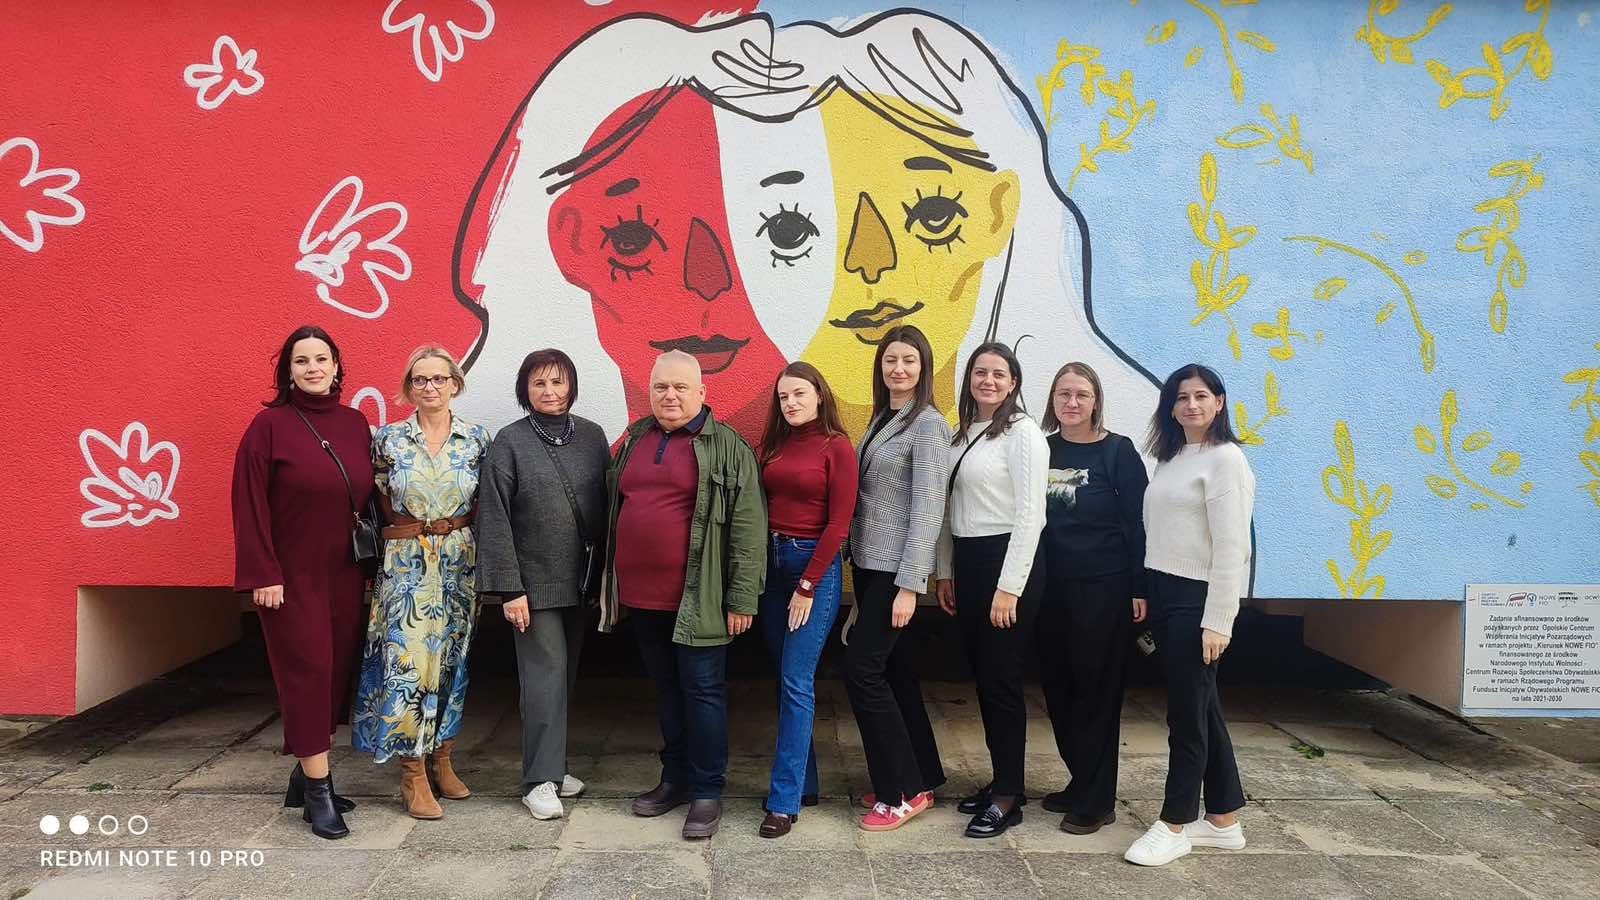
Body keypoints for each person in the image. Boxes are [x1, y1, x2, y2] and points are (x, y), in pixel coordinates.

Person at [599, 350, 766, 840]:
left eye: (680, 387)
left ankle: (707, 791)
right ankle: (674, 779)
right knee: (667, 691)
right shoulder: (635, 439)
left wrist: (742, 599)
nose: (669, 396)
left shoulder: (727, 446)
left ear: (701, 393)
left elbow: (748, 529)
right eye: (661, 387)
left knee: (702, 693)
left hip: (701, 598)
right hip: (642, 598)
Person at [232, 325, 373, 840]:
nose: (313, 368)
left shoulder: (356, 423)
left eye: (321, 359)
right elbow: (248, 503)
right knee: (308, 675)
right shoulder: (268, 427)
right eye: (301, 361)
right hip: (290, 578)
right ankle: (319, 791)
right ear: (287, 371)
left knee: (334, 675)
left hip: (344, 573)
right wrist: (263, 572)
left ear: (337, 366)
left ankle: (303, 776)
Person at [1124, 364, 1256, 867]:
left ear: (1219, 402)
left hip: (1197, 598)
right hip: (1164, 591)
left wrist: (1220, 619)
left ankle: (1174, 823)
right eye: (1182, 397)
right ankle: (1223, 819)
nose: (1192, 405)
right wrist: (1145, 589)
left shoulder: (1227, 460)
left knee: (1186, 714)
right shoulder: (1173, 455)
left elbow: (1232, 547)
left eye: (1202, 396)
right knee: (1202, 706)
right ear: (1171, 406)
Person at [351, 346, 490, 820]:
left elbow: (486, 503)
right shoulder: (388, 439)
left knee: (452, 661)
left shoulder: (476, 440)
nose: (430, 387)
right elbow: (374, 499)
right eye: (420, 379)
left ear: (455, 384)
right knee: (407, 665)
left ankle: (442, 757)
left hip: (458, 563)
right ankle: (411, 772)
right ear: (409, 388)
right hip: (406, 563)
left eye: (439, 378)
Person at [475, 349, 609, 820]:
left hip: (579, 581)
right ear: (525, 390)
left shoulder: (592, 436)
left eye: (557, 381)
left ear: (571, 385)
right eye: (539, 383)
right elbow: (494, 517)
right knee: (542, 679)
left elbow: (608, 504)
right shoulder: (510, 442)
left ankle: (553, 765)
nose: (550, 391)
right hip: (532, 587)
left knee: (562, 677)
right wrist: (509, 589)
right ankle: (538, 781)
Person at [933, 342, 1049, 839]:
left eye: (999, 374)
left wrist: (1009, 588)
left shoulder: (1023, 434)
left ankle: (1009, 796)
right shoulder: (962, 434)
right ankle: (1001, 778)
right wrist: (944, 572)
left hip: (1008, 565)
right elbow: (948, 509)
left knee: (1002, 681)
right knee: (984, 679)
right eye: (980, 372)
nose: (989, 381)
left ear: (1014, 382)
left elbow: (1031, 514)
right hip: (970, 562)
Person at [844, 324, 951, 832]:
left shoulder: (929, 424)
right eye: (891, 360)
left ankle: (902, 791)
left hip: (894, 571)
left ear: (923, 367)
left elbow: (928, 509)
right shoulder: (884, 416)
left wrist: (910, 585)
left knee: (862, 670)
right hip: (869, 564)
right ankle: (922, 774)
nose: (899, 368)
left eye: (909, 360)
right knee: (895, 673)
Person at [1036, 361, 1148, 834]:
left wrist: (1140, 586)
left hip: (1104, 589)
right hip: (1051, 591)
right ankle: (1082, 779)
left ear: (1096, 400)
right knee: (1058, 690)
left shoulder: (1117, 451)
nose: (1072, 402)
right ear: (1053, 400)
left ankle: (1098, 800)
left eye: (1082, 394)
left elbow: (1140, 523)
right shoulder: (1042, 448)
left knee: (1096, 693)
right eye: (1064, 394)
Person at [754, 362, 857, 839]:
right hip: (773, 566)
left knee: (797, 681)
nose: (790, 403)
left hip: (812, 570)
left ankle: (783, 801)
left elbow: (839, 524)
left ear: (819, 395)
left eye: (799, 393)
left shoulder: (837, 447)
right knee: (784, 679)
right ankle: (804, 784)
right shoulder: (776, 444)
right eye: (783, 397)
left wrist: (808, 586)